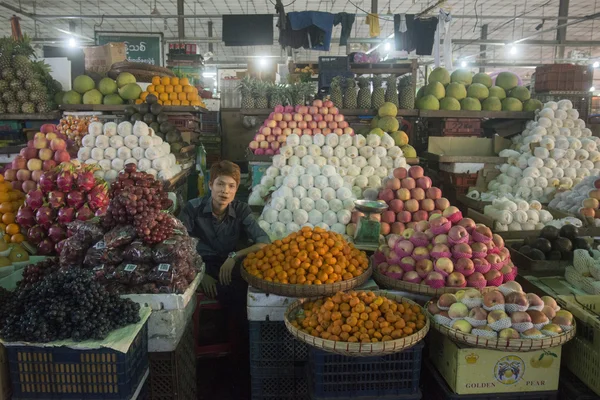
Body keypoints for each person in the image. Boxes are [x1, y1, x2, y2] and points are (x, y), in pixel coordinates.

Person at [178, 160, 270, 304]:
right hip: (201, 264)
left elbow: (264, 242)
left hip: (229, 264)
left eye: (231, 186)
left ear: (236, 189)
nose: (225, 190)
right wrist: (200, 274)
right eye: (220, 184)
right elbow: (179, 247)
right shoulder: (193, 208)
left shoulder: (241, 209)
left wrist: (234, 256)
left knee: (244, 291)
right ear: (210, 185)